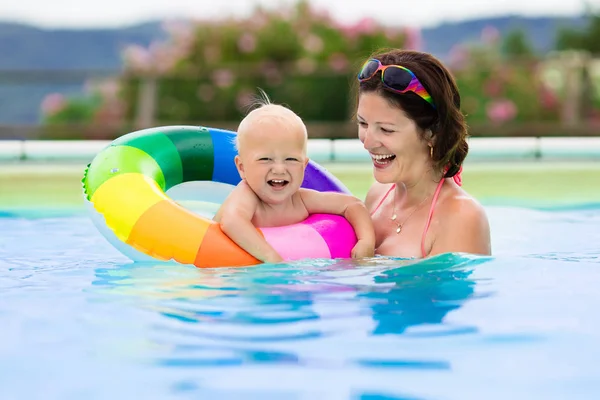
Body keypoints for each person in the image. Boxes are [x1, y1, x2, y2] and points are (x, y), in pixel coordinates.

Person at [355, 49, 491, 258]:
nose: (368, 142)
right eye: (363, 123)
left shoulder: (460, 217)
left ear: (433, 133)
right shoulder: (378, 194)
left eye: (386, 129)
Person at [214, 97, 375, 264]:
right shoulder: (247, 196)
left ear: (304, 166)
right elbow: (232, 221)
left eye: (291, 159)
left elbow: (352, 205)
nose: (279, 169)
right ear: (242, 167)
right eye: (265, 159)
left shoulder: (301, 201)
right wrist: (271, 257)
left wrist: (366, 241)